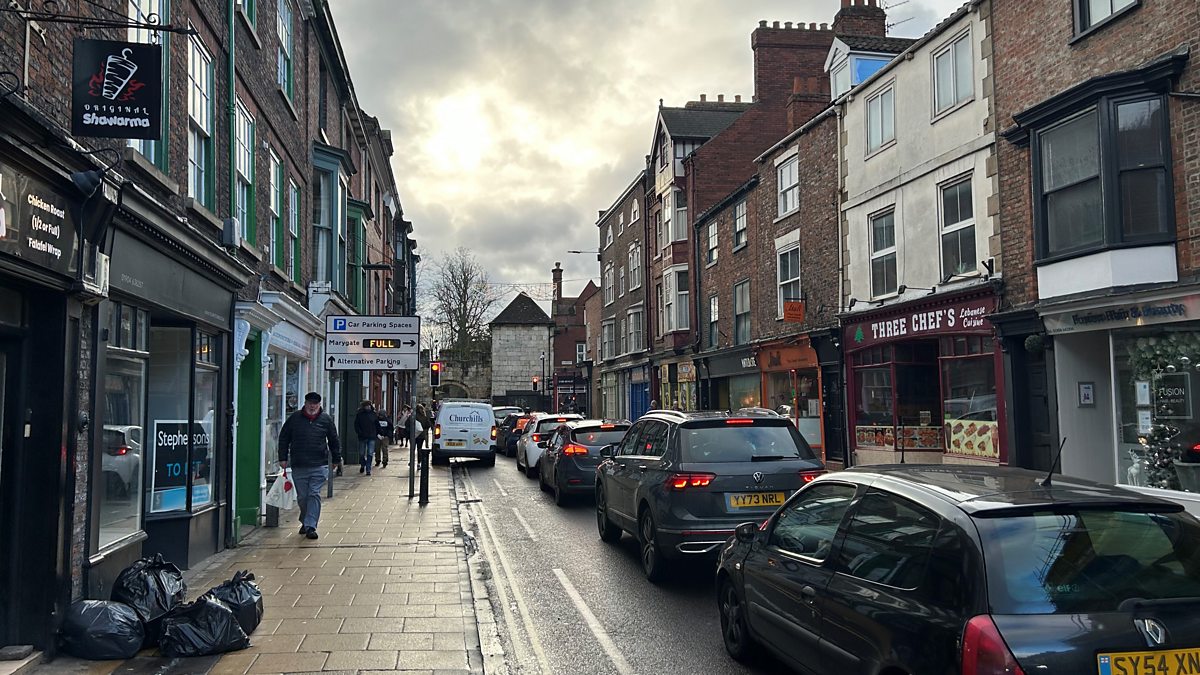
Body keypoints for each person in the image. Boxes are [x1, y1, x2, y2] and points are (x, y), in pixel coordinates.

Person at [278, 392, 341, 540]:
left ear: (319, 405)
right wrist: (282, 458)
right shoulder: (295, 418)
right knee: (302, 497)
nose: (312, 406)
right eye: (310, 403)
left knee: (313, 493)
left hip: (319, 464)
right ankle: (305, 520)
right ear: (305, 404)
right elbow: (284, 438)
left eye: (315, 404)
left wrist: (336, 459)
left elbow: (333, 440)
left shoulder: (326, 420)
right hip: (299, 464)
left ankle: (311, 526)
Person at [355, 400, 379, 475]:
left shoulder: (374, 414)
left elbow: (377, 425)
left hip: (372, 436)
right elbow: (356, 425)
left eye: (369, 405)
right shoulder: (359, 415)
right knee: (361, 453)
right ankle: (363, 464)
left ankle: (368, 469)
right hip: (362, 437)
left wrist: (380, 433)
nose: (368, 407)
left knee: (370, 453)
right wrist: (360, 432)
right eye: (366, 406)